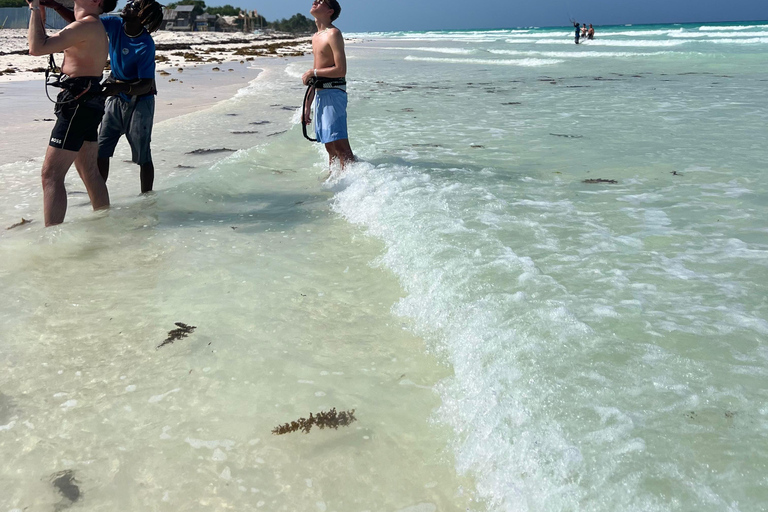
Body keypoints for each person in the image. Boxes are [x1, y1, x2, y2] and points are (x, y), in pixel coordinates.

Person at [45, 0, 164, 194]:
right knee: (102, 149)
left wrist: (119, 88)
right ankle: (98, 192)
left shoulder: (145, 44)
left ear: (142, 17)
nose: (128, 5)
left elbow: (145, 84)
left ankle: (147, 198)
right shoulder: (115, 24)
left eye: (134, 5)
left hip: (140, 101)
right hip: (115, 95)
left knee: (143, 155)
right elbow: (82, 22)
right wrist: (56, 6)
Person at [27, 0, 116, 226]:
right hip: (89, 100)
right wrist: (43, 9)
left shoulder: (84, 25)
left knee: (51, 175)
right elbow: (42, 37)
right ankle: (106, 226)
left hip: (77, 103)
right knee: (89, 171)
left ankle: (52, 241)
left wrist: (35, 8)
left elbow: (36, 48)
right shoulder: (91, 25)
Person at [301, 0, 355, 169]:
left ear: (329, 11)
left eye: (321, 1)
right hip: (320, 95)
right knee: (329, 146)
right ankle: (334, 179)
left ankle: (356, 182)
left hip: (334, 93)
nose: (315, 1)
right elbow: (315, 76)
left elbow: (341, 70)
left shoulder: (333, 34)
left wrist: (312, 72)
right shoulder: (316, 37)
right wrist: (307, 106)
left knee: (340, 145)